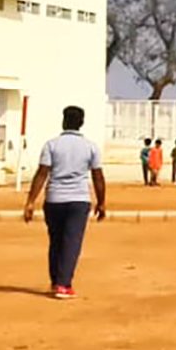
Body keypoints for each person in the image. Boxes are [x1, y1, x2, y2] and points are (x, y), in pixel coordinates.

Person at [21, 106, 106, 300]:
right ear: (81, 122)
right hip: (78, 200)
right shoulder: (90, 146)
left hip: (54, 200)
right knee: (72, 243)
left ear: (63, 121)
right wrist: (101, 202)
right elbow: (98, 176)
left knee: (56, 241)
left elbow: (42, 173)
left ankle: (56, 280)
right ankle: (63, 284)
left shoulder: (52, 145)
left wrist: (30, 202)